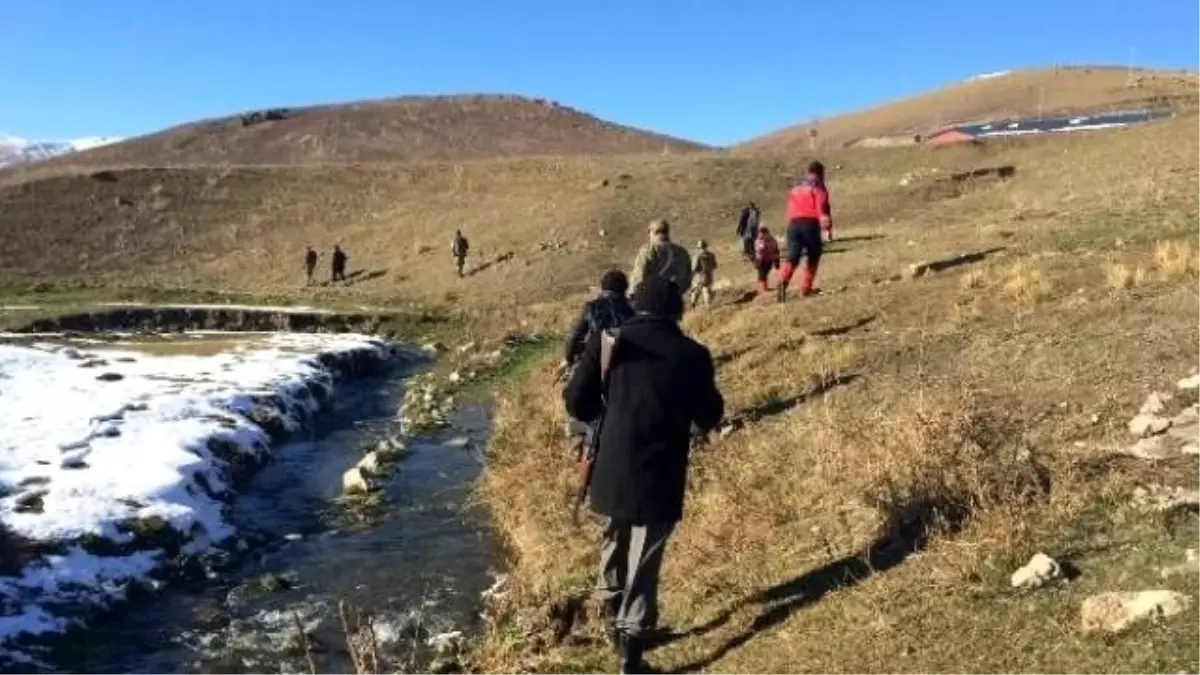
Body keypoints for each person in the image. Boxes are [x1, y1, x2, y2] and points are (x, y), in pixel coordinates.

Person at [563, 275, 724, 674]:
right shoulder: (692, 354)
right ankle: (631, 652)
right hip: (661, 470)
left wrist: (608, 410)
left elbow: (575, 403)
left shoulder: (608, 342)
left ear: (636, 305)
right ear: (676, 310)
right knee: (646, 558)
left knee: (613, 537)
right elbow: (710, 415)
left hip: (610, 466)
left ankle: (612, 617)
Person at [558, 270, 636, 454]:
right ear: (624, 289)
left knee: (572, 393)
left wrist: (568, 360)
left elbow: (573, 337)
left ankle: (578, 434)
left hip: (592, 364)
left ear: (602, 288)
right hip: (625, 367)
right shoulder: (633, 310)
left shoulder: (591, 307)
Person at [777, 161, 833, 302]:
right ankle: (806, 289)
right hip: (810, 223)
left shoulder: (798, 186)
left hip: (793, 224)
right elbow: (822, 206)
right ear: (820, 173)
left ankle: (782, 281)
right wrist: (827, 227)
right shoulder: (819, 186)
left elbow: (790, 205)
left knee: (793, 256)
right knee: (814, 255)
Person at [629, 219, 692, 300]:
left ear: (651, 232)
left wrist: (634, 295)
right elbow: (687, 278)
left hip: (651, 300)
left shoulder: (647, 250)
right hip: (673, 301)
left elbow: (639, 276)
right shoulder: (682, 252)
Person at [689, 240, 718, 309]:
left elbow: (694, 268)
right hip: (709, 276)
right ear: (706, 246)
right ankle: (708, 307)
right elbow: (715, 266)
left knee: (695, 292)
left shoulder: (697, 256)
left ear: (699, 247)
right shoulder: (711, 255)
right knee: (706, 291)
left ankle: (693, 307)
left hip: (699, 277)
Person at [753, 226, 780, 296]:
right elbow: (758, 250)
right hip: (760, 260)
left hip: (769, 259)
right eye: (760, 234)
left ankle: (765, 288)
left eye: (763, 234)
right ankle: (762, 290)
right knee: (762, 274)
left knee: (766, 273)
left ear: (767, 233)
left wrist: (777, 262)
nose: (761, 235)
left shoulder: (773, 240)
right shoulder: (758, 241)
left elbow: (776, 251)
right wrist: (762, 246)